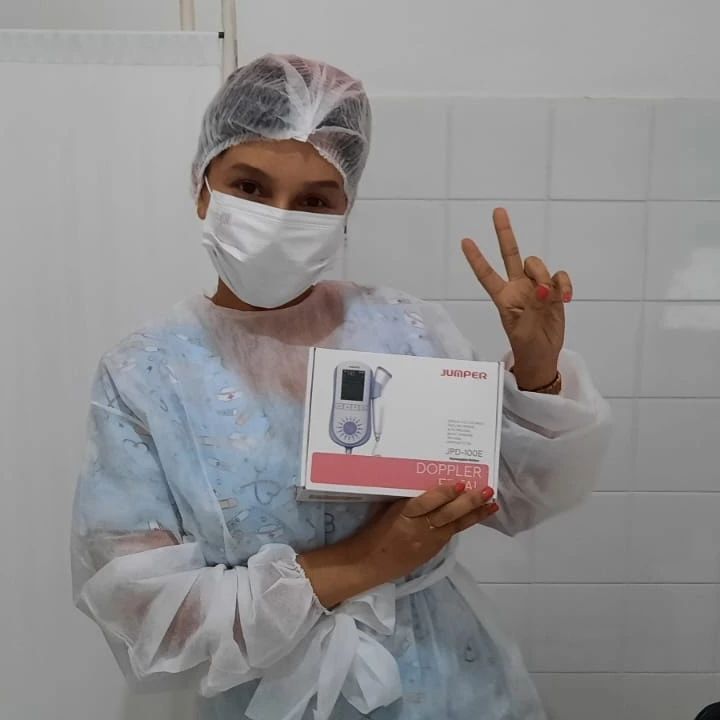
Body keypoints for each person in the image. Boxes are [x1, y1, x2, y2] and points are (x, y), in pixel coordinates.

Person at [71, 54, 611, 720]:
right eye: (250, 186)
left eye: (314, 200)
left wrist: (536, 369)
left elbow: (515, 497)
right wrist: (367, 561)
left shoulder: (405, 330)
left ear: (344, 210)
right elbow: (146, 615)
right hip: (265, 696)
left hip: (451, 682)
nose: (278, 217)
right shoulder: (145, 375)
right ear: (202, 188)